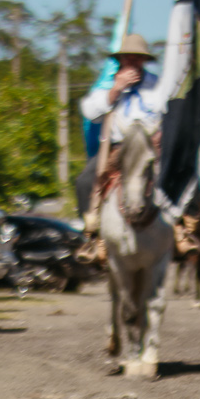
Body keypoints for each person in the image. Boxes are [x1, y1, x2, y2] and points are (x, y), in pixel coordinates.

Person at [77, 33, 165, 247]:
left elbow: (170, 114)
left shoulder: (159, 86)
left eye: (137, 57)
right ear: (121, 60)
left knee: (180, 176)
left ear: (145, 60)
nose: (133, 61)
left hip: (151, 149)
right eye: (128, 57)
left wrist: (162, 133)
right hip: (118, 149)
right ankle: (92, 233)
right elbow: (90, 112)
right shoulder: (107, 86)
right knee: (84, 182)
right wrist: (116, 89)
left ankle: (183, 229)